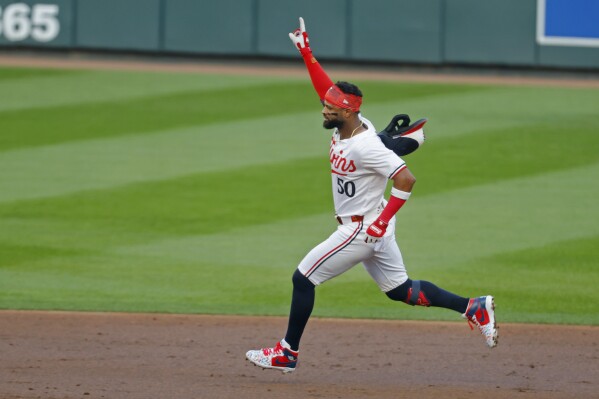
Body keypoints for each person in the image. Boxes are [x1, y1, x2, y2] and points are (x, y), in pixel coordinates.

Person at [245, 18, 497, 374]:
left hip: (362, 230)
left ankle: (287, 352)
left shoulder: (365, 145)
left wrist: (380, 224)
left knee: (303, 279)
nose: (324, 109)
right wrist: (306, 51)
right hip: (374, 226)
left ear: (348, 111)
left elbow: (406, 179)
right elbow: (325, 89)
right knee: (402, 291)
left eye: (331, 108)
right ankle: (473, 307)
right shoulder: (348, 123)